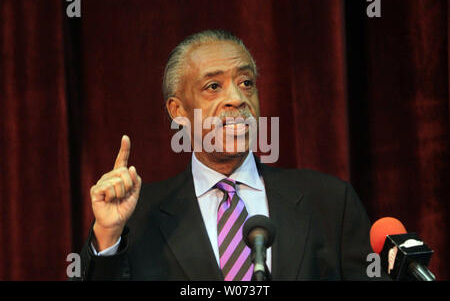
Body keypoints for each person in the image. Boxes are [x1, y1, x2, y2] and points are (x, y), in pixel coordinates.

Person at [78, 29, 382, 281]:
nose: (237, 99)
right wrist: (107, 235)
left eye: (246, 83)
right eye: (213, 86)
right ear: (178, 111)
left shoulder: (329, 201)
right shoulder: (139, 218)